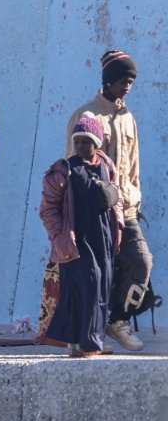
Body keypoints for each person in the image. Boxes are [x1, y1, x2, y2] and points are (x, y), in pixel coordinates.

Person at [65, 50, 152, 352]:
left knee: (141, 261)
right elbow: (71, 164)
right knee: (95, 273)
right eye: (122, 81)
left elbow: (134, 165)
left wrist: (135, 200)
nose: (127, 87)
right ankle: (87, 334)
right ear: (108, 80)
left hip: (125, 208)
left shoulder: (129, 119)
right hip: (94, 210)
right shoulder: (87, 116)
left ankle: (119, 320)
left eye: (131, 81)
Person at [40, 113, 123, 357]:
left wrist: (118, 228)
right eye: (78, 141)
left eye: (86, 141)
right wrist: (58, 235)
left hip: (103, 238)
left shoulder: (106, 167)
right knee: (86, 286)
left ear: (97, 143)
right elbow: (48, 209)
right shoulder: (63, 170)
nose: (81, 146)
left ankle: (77, 343)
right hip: (77, 241)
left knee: (100, 289)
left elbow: (116, 199)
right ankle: (90, 344)